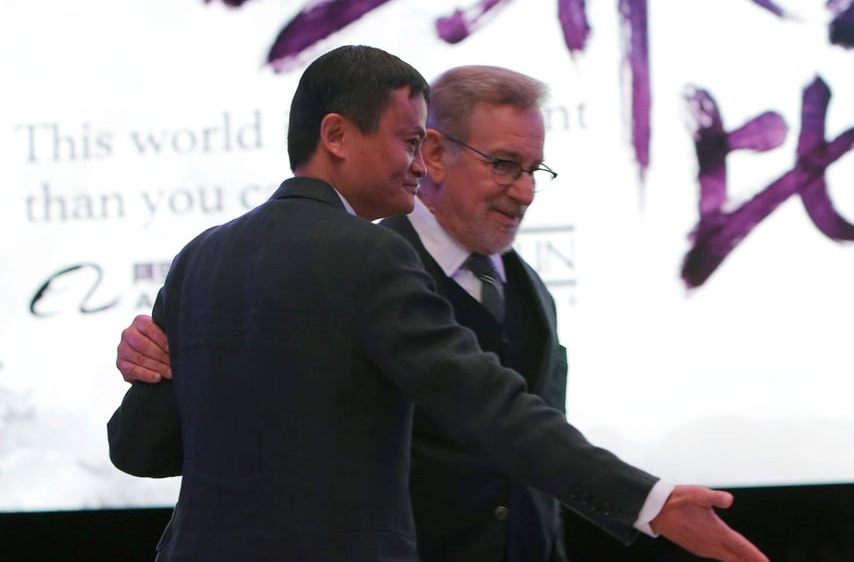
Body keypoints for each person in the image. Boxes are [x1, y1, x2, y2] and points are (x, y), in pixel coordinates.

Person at [107, 44, 768, 562]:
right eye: (407, 140)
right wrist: (649, 502)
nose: (419, 163)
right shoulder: (372, 255)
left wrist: (165, 369)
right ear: (336, 136)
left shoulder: (201, 255)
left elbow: (137, 447)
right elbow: (492, 407)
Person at [118, 64, 569, 561]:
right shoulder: (358, 263)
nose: (524, 190)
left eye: (533, 170)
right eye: (504, 164)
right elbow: (206, 436)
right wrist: (179, 359)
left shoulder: (531, 291)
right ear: (439, 154)